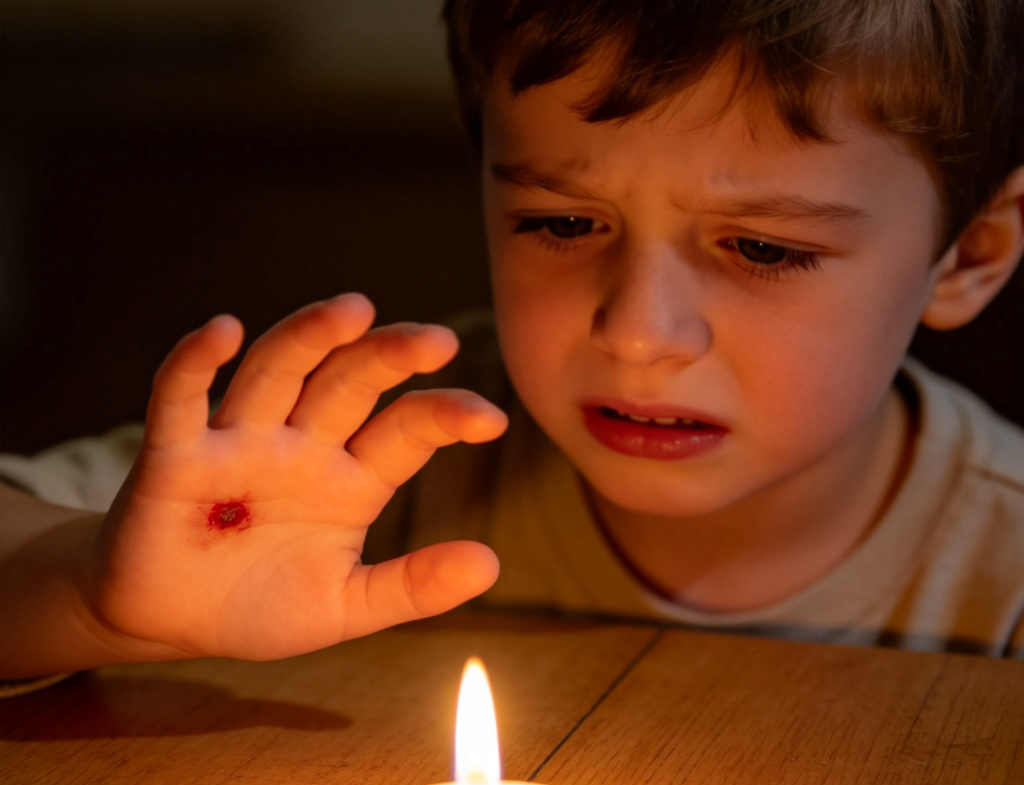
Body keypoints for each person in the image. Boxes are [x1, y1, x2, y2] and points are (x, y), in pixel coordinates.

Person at [2, 0, 1023, 685]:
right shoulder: (379, 451)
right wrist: (93, 591)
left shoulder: (1004, 568)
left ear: (968, 253)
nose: (635, 336)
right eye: (563, 224)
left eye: (761, 246)